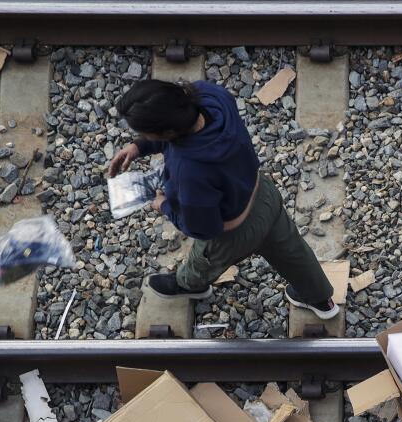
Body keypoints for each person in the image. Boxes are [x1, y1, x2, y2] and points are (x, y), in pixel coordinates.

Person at [108, 79, 338, 319]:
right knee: (293, 252)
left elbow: (204, 228)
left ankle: (190, 287)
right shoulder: (212, 97)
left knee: (201, 261)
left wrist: (163, 205)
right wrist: (139, 146)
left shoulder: (189, 170)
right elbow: (178, 124)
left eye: (145, 133)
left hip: (234, 233)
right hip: (263, 195)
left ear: (168, 133)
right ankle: (321, 300)